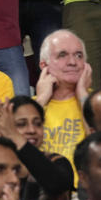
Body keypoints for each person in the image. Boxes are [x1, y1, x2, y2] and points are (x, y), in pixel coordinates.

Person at [0, 97, 74, 200]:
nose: (32, 130)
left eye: (38, 124)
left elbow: (57, 185)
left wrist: (13, 134)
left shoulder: (56, 161)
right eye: (21, 124)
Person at [34, 30, 91, 183]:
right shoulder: (31, 106)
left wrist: (82, 95)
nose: (72, 62)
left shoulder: (98, 102)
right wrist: (41, 99)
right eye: (62, 55)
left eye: (79, 55)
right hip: (42, 195)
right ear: (44, 66)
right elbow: (16, 148)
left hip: (86, 195)